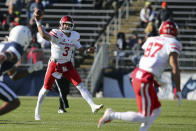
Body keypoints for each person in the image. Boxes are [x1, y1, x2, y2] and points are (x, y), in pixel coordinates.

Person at [98, 21, 182, 131]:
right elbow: (174, 67)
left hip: (140, 74)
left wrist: (155, 80)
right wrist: (178, 90)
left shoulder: (152, 39)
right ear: (175, 31)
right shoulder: (173, 43)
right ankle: (112, 115)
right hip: (144, 78)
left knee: (157, 110)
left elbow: (151, 60)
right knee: (144, 116)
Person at [33, 9, 104, 120]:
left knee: (80, 85)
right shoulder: (56, 33)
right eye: (65, 24)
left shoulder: (75, 36)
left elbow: (81, 50)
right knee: (46, 89)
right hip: (54, 64)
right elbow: (43, 35)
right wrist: (38, 22)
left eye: (69, 25)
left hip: (67, 64)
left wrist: (87, 51)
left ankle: (93, 106)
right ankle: (37, 111)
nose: (66, 26)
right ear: (61, 25)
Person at [0, 25, 43, 116]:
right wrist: (4, 57)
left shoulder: (5, 44)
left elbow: (13, 76)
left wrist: (32, 69)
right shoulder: (16, 47)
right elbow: (4, 56)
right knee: (14, 102)